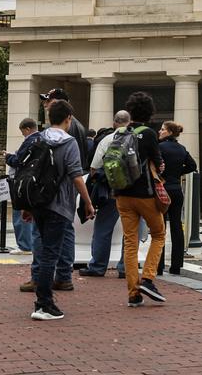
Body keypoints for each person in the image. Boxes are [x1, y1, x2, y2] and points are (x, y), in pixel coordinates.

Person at [23, 100, 95, 321]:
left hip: (38, 202)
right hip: (59, 204)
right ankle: (44, 304)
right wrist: (88, 202)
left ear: (49, 118)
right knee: (51, 255)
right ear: (68, 118)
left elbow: (27, 170)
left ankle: (43, 300)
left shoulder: (37, 138)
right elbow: (76, 176)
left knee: (45, 250)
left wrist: (27, 205)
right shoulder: (69, 142)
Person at [113, 91, 166, 307]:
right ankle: (148, 279)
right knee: (159, 234)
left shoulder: (119, 133)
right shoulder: (149, 134)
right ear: (150, 112)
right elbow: (159, 164)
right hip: (145, 194)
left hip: (122, 194)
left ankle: (133, 293)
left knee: (130, 242)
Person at [82, 110, 128, 278]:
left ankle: (98, 266)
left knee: (103, 229)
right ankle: (126, 267)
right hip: (134, 192)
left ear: (114, 123)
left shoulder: (108, 139)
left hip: (111, 191)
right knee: (131, 232)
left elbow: (94, 167)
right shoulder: (136, 139)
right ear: (129, 122)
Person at [157, 120, 197, 276]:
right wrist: (177, 173)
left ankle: (158, 265)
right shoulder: (181, 148)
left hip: (162, 190)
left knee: (160, 227)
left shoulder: (159, 147)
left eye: (162, 129)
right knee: (176, 226)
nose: (159, 131)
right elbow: (192, 166)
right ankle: (176, 265)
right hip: (176, 189)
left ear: (169, 132)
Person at [5, 118, 39, 253]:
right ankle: (31, 244)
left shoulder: (30, 141)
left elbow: (18, 161)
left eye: (23, 132)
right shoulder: (42, 140)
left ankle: (25, 245)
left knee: (20, 213)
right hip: (35, 182)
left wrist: (8, 157)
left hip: (23, 182)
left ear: (27, 129)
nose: (23, 134)